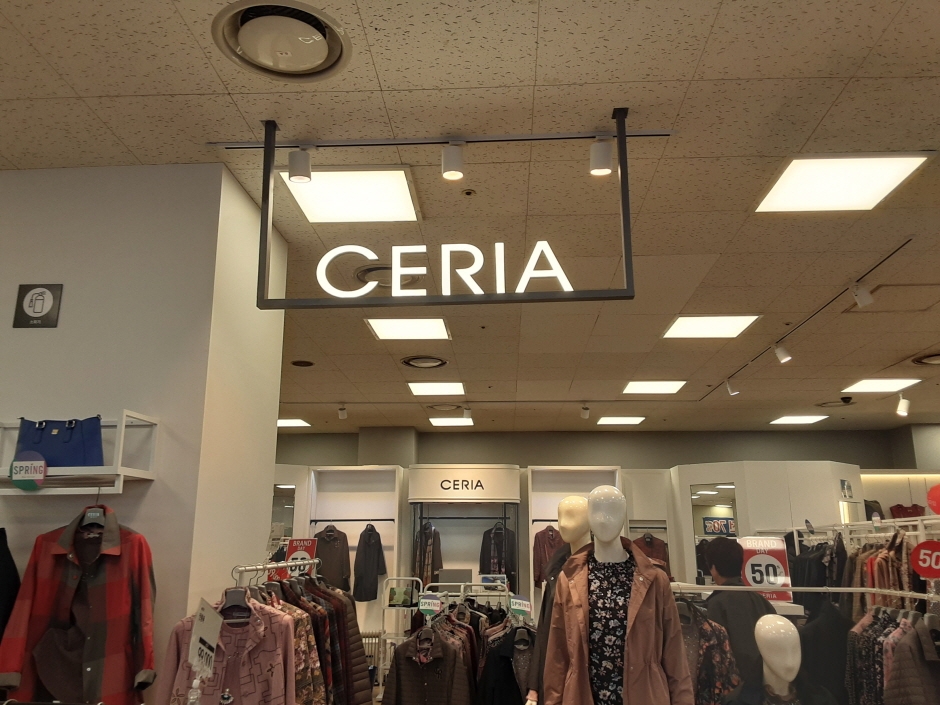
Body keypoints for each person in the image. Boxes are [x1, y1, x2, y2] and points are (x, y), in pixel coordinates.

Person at [704, 537, 776, 695]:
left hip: (734, 693)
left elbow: (715, 657)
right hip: (767, 688)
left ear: (713, 568)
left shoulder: (716, 605)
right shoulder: (762, 602)